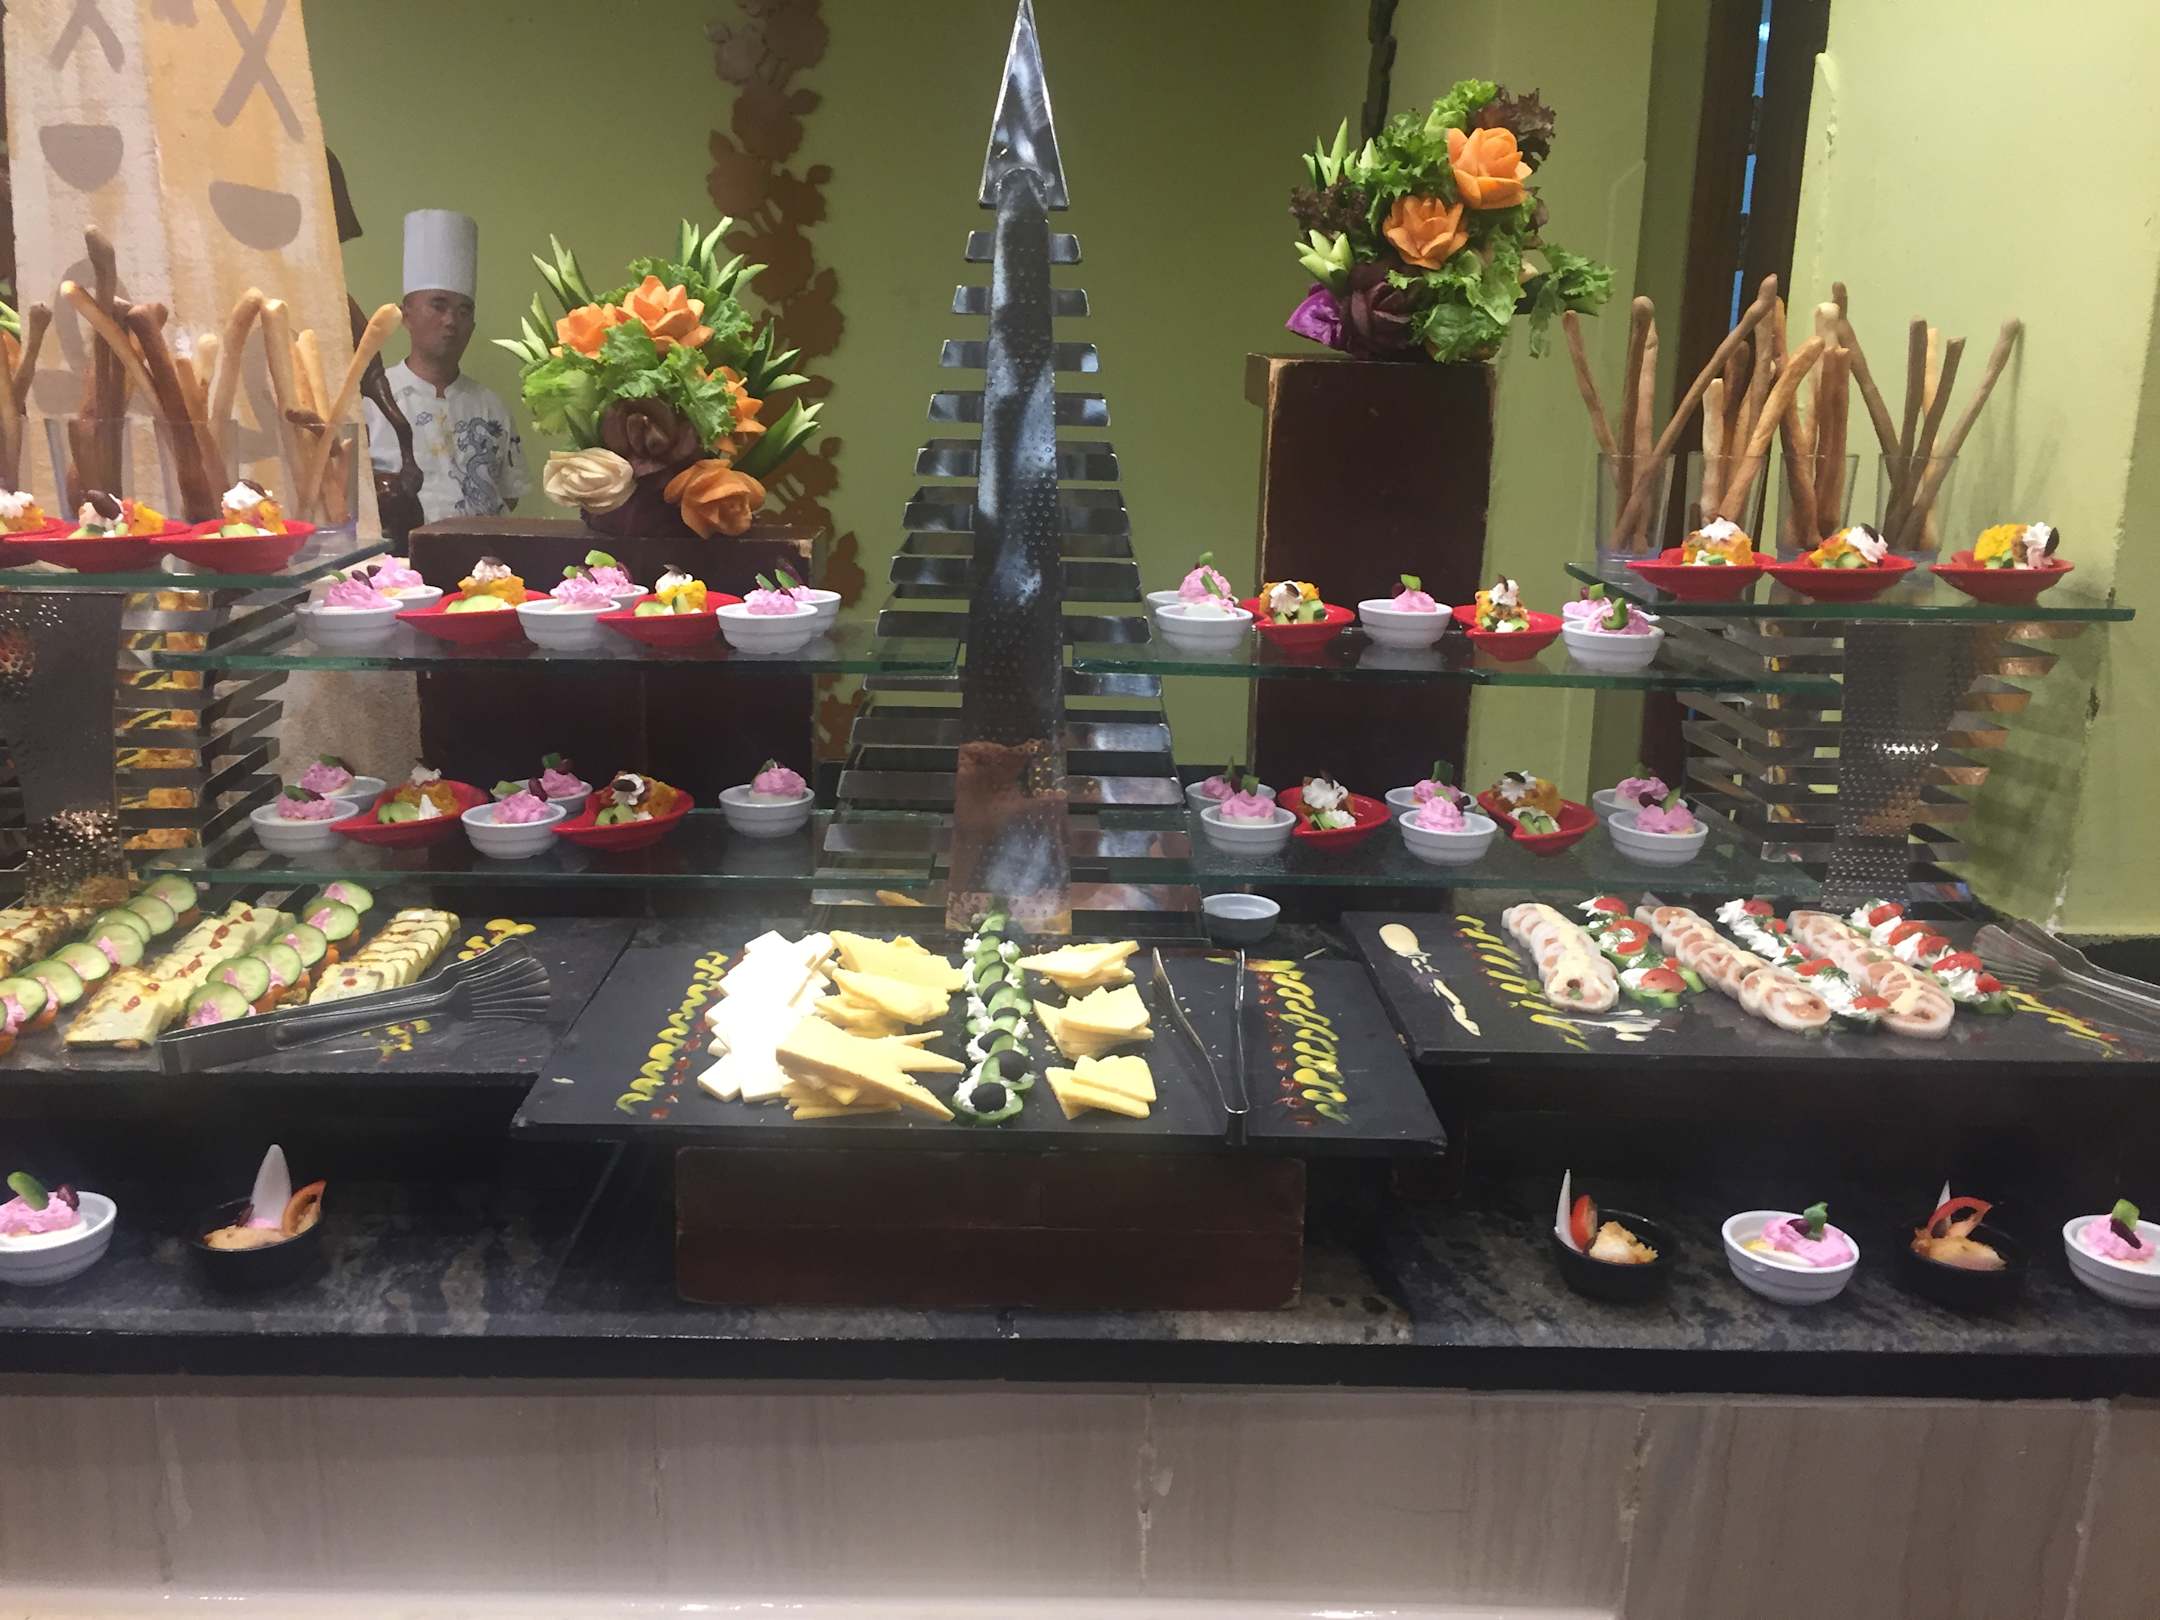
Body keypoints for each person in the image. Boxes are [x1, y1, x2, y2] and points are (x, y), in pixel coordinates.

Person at [362, 209, 527, 524]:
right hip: (400, 553)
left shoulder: (491, 406)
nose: (451, 321)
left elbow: (510, 493)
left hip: (484, 552)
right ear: (406, 315)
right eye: (438, 306)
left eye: (464, 311)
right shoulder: (372, 402)